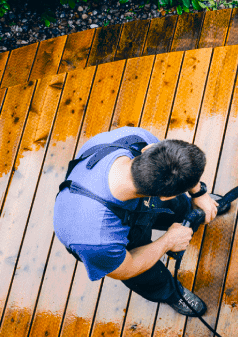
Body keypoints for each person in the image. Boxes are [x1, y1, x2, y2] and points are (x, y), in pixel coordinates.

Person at [53, 126, 224, 316]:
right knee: (147, 276)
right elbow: (127, 268)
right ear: (164, 196)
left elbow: (176, 167)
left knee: (182, 207)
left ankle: (194, 211)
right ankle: (171, 294)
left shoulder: (135, 139)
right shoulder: (94, 238)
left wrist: (199, 194)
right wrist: (168, 241)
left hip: (144, 199)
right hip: (118, 241)